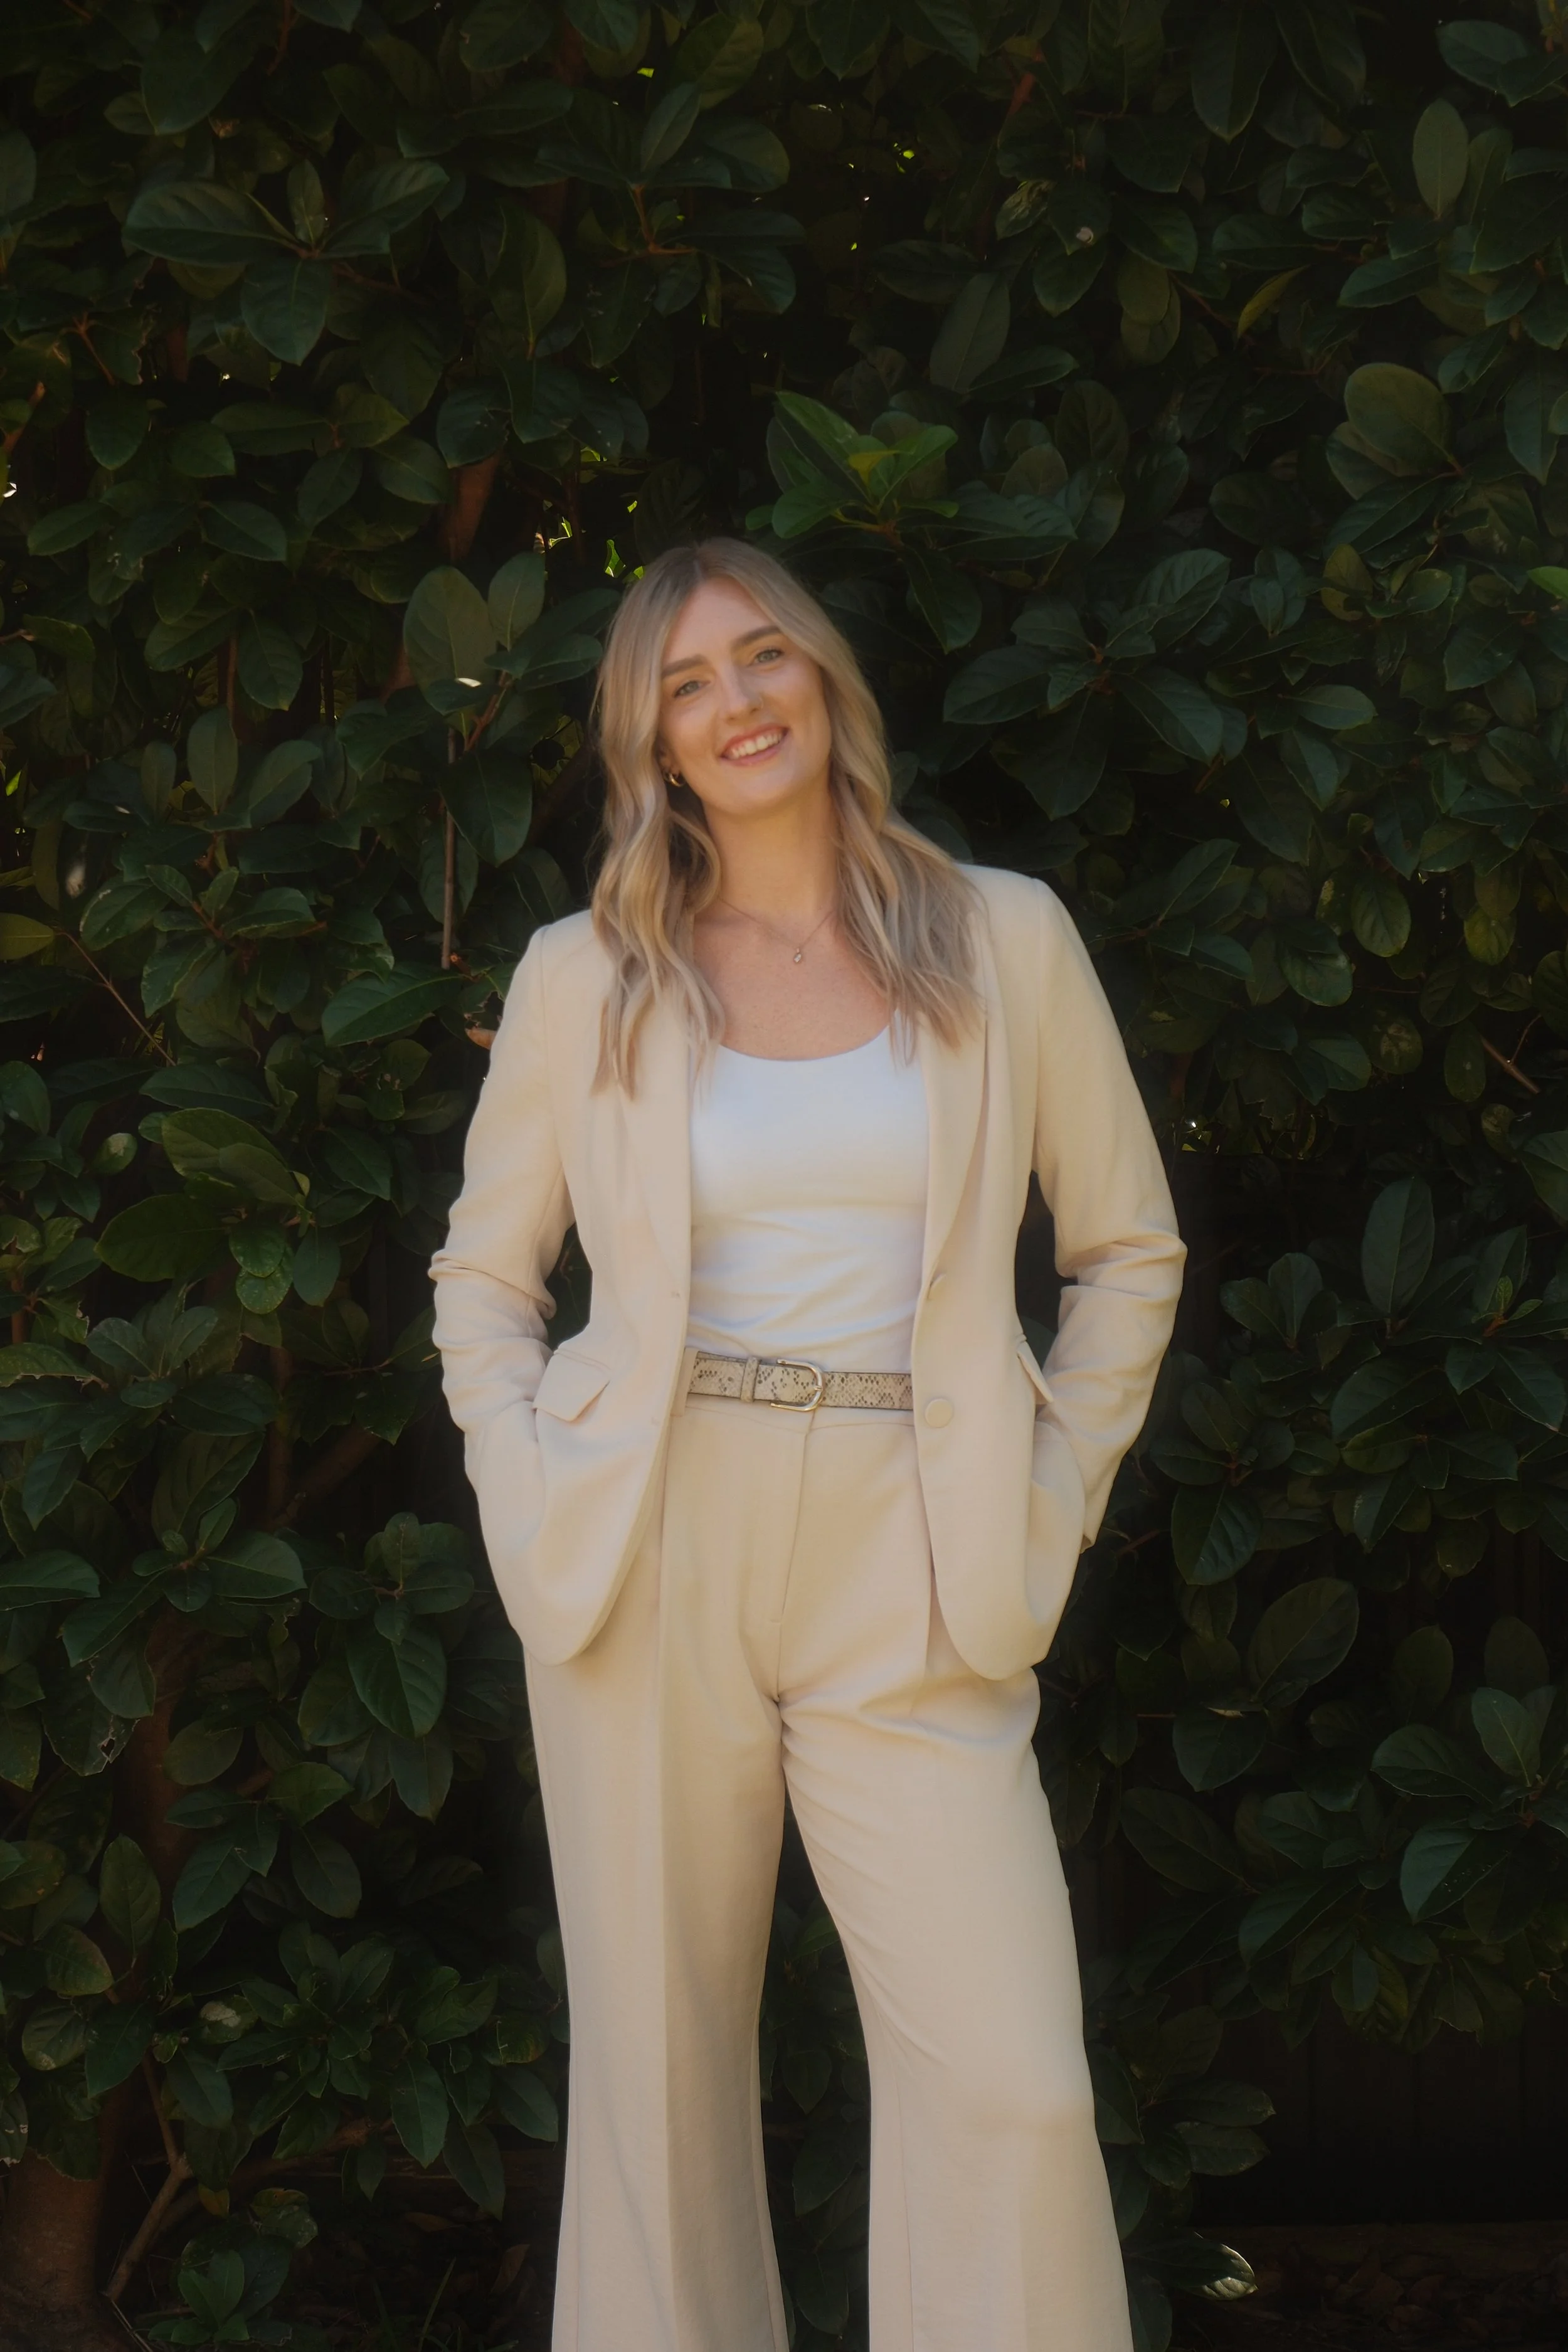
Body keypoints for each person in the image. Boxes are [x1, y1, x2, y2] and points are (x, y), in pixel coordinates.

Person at [430, 538, 1185, 2352]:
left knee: (1013, 2081)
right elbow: (482, 1274)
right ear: (652, 746)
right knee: (658, 2089)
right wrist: (531, 1487)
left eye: (760, 659)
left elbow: (1123, 1251)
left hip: (913, 1554)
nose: (733, 704)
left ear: (825, 681)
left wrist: (1048, 1491)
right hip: (648, 1539)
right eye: (683, 686)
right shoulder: (581, 973)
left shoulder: (1003, 939)